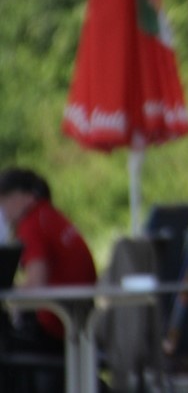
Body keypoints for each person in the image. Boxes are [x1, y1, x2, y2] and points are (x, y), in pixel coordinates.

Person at [0, 167, 98, 392]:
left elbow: (36, 283)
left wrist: (12, 297)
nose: (2, 208)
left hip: (56, 323)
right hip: (79, 319)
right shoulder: (50, 216)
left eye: (4, 199)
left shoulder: (32, 224)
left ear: (25, 196)